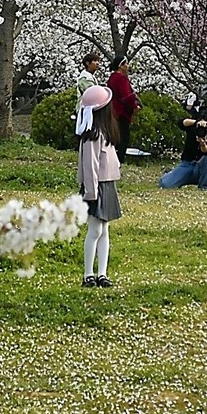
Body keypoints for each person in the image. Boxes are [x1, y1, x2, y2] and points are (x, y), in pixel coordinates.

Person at [76, 84, 122, 288]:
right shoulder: (92, 135)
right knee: (94, 230)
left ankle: (102, 273)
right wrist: (90, 192)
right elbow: (90, 166)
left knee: (104, 230)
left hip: (107, 184)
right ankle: (88, 274)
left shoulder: (105, 132)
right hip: (96, 187)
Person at [159, 97, 207, 190]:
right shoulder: (193, 127)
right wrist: (196, 123)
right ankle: (172, 175)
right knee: (165, 184)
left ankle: (204, 186)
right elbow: (181, 123)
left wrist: (203, 143)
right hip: (187, 165)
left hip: (201, 167)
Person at [106, 55, 141, 162]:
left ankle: (112, 158)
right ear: (120, 66)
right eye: (125, 64)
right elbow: (125, 97)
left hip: (113, 109)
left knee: (115, 135)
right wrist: (135, 104)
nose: (127, 66)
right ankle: (119, 160)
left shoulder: (112, 78)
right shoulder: (121, 78)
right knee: (123, 137)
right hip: (122, 111)